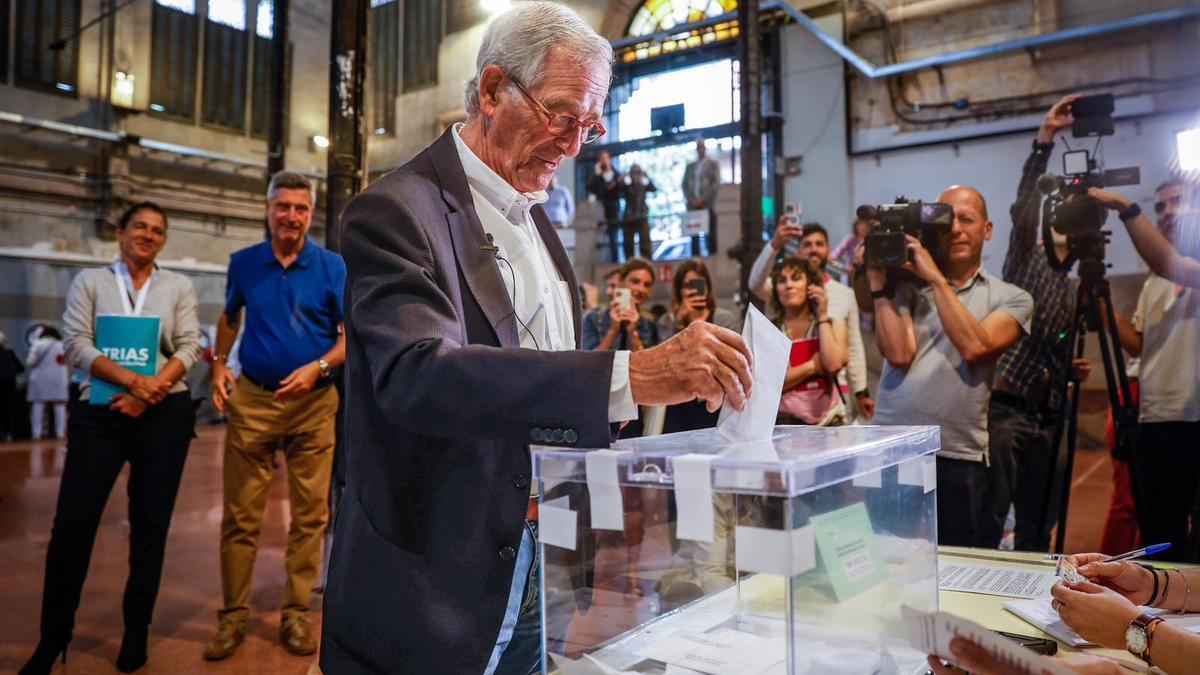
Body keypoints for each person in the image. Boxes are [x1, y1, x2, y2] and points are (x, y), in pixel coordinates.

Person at [320, 4, 753, 673]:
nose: (574, 145)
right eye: (561, 116)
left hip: (538, 552)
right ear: (492, 89)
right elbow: (420, 373)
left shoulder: (538, 217)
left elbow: (546, 367)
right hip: (438, 565)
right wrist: (627, 375)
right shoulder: (397, 211)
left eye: (589, 126)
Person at [21, 202, 202, 675]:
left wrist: (150, 391)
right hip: (100, 413)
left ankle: (136, 631)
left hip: (164, 413)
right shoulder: (90, 282)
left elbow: (189, 345)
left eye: (158, 230)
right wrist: (132, 383)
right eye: (139, 226)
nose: (148, 235)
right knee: (72, 529)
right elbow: (77, 344)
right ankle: (52, 638)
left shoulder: (178, 286)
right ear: (120, 232)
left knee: (149, 527)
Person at [203, 171, 346, 661]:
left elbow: (348, 338)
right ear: (267, 209)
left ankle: (295, 614)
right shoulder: (244, 264)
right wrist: (219, 367)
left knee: (310, 517)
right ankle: (233, 617)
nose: (291, 216)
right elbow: (229, 316)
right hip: (254, 402)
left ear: (310, 213)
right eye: (283, 206)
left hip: (314, 404)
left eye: (300, 208)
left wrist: (318, 368)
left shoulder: (331, 267)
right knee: (241, 516)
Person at [869, 185, 1033, 547]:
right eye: (947, 220)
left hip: (957, 453)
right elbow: (898, 354)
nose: (956, 229)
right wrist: (879, 283)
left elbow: (977, 346)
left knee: (955, 567)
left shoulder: (1012, 297)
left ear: (987, 230)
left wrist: (935, 278)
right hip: (893, 446)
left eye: (967, 219)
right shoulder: (910, 287)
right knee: (888, 561)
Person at [991, 94, 1094, 551]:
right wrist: (1044, 141)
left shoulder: (1077, 287)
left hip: (1052, 415)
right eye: (1061, 216)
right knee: (991, 520)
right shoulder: (1024, 261)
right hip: (1008, 410)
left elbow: (1053, 346)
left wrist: (1067, 369)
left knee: (1040, 529)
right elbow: (1023, 213)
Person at [1101, 179, 1200, 561]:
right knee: (1162, 536)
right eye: (1159, 207)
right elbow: (1141, 346)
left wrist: (1126, 207)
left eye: (1178, 202)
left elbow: (1168, 262)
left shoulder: (1169, 266)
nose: (1168, 212)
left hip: (1196, 419)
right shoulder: (1156, 279)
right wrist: (1104, 304)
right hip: (1155, 419)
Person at [750, 220, 875, 421]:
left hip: (833, 403)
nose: (813, 249)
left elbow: (853, 348)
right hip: (786, 418)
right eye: (807, 244)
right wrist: (775, 243)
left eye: (819, 244)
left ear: (829, 249)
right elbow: (755, 283)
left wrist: (861, 391)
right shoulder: (781, 303)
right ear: (798, 251)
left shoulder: (844, 294)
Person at [658, 258, 739, 433]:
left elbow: (728, 359)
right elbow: (662, 361)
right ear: (679, 290)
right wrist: (679, 324)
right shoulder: (668, 321)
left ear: (708, 287)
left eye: (698, 284)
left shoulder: (724, 319)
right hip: (677, 403)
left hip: (714, 400)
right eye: (687, 285)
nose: (692, 290)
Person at [771, 256, 848, 425]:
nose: (789, 285)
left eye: (796, 278)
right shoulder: (769, 329)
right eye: (782, 281)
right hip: (784, 426)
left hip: (830, 424)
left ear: (811, 286)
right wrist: (812, 366)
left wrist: (822, 316)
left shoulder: (833, 323)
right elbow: (770, 385)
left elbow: (833, 365)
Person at [583, 257, 659, 353]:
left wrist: (633, 333)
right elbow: (588, 362)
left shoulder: (649, 325)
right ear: (621, 282)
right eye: (635, 282)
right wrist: (613, 330)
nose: (641, 289)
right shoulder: (593, 319)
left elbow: (647, 365)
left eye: (647, 285)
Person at [25, 325, 68, 440]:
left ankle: (36, 433)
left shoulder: (37, 344)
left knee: (38, 405)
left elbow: (30, 362)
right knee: (59, 406)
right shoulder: (61, 345)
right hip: (58, 380)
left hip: (39, 380)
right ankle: (60, 433)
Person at [682, 138, 721, 255]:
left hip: (707, 205)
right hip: (692, 206)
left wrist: (703, 199)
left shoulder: (713, 165)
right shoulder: (690, 167)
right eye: (698, 147)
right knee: (694, 238)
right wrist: (691, 199)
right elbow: (684, 185)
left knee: (711, 236)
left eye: (702, 147)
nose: (700, 150)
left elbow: (715, 184)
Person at [587, 150, 623, 262]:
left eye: (606, 158)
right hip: (600, 211)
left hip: (613, 210)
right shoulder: (598, 176)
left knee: (613, 238)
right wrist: (596, 174)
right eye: (602, 158)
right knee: (599, 239)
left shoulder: (618, 175)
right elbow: (589, 187)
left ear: (610, 160)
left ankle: (615, 262)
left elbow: (622, 191)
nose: (604, 160)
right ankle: (599, 263)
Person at [620, 164, 656, 260]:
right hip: (629, 218)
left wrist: (646, 176)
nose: (636, 176)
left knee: (645, 243)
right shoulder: (626, 187)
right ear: (630, 175)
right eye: (634, 173)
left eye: (638, 173)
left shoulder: (643, 186)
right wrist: (623, 177)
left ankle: (646, 262)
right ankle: (629, 263)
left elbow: (653, 188)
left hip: (642, 217)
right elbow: (618, 190)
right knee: (628, 245)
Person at [829, 215, 871, 281]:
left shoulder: (874, 241)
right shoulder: (850, 240)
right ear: (855, 225)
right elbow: (831, 258)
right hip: (851, 276)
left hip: (869, 276)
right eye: (861, 223)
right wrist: (844, 268)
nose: (864, 227)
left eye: (866, 224)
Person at [0, 331, 24, 441]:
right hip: (9, 386)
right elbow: (20, 368)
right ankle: (7, 433)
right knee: (8, 410)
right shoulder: (9, 353)